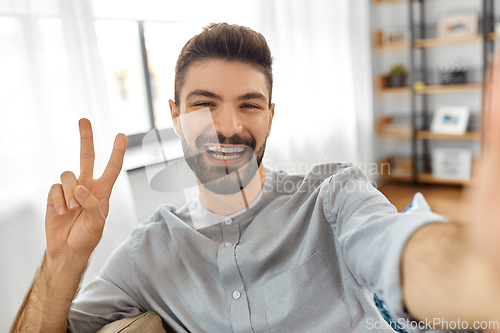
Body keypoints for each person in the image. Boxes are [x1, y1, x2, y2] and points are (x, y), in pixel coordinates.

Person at [9, 22, 500, 333]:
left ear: (270, 116)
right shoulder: (148, 252)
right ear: (176, 117)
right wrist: (63, 260)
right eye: (205, 104)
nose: (229, 126)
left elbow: (402, 253)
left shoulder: (333, 195)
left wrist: (479, 273)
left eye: (249, 105)